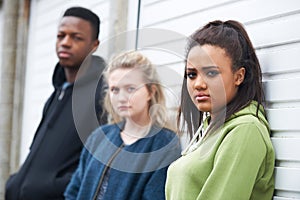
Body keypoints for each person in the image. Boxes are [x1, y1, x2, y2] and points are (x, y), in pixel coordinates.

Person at [165, 20, 275, 200]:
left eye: (211, 73)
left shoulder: (246, 130)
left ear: (239, 76)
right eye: (192, 74)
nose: (198, 84)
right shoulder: (210, 127)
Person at [5, 7, 107, 200]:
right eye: (61, 36)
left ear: (94, 45)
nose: (65, 43)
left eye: (76, 37)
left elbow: (97, 167)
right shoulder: (56, 94)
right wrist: (16, 182)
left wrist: (51, 188)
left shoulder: (101, 96)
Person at [64, 51, 181, 200]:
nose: (121, 98)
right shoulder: (99, 136)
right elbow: (73, 191)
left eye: (130, 89)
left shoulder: (165, 144)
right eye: (115, 89)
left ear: (151, 91)